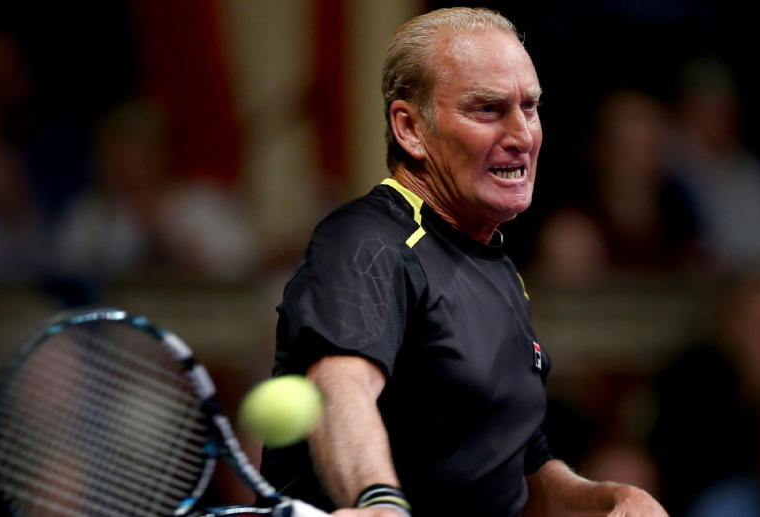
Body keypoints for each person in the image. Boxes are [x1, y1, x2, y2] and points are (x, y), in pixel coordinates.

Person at [261, 7, 667, 517]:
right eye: (488, 110)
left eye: (530, 107)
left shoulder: (499, 268)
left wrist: (610, 498)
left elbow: (521, 472)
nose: (523, 135)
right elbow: (341, 384)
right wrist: (377, 500)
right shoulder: (365, 241)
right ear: (410, 128)